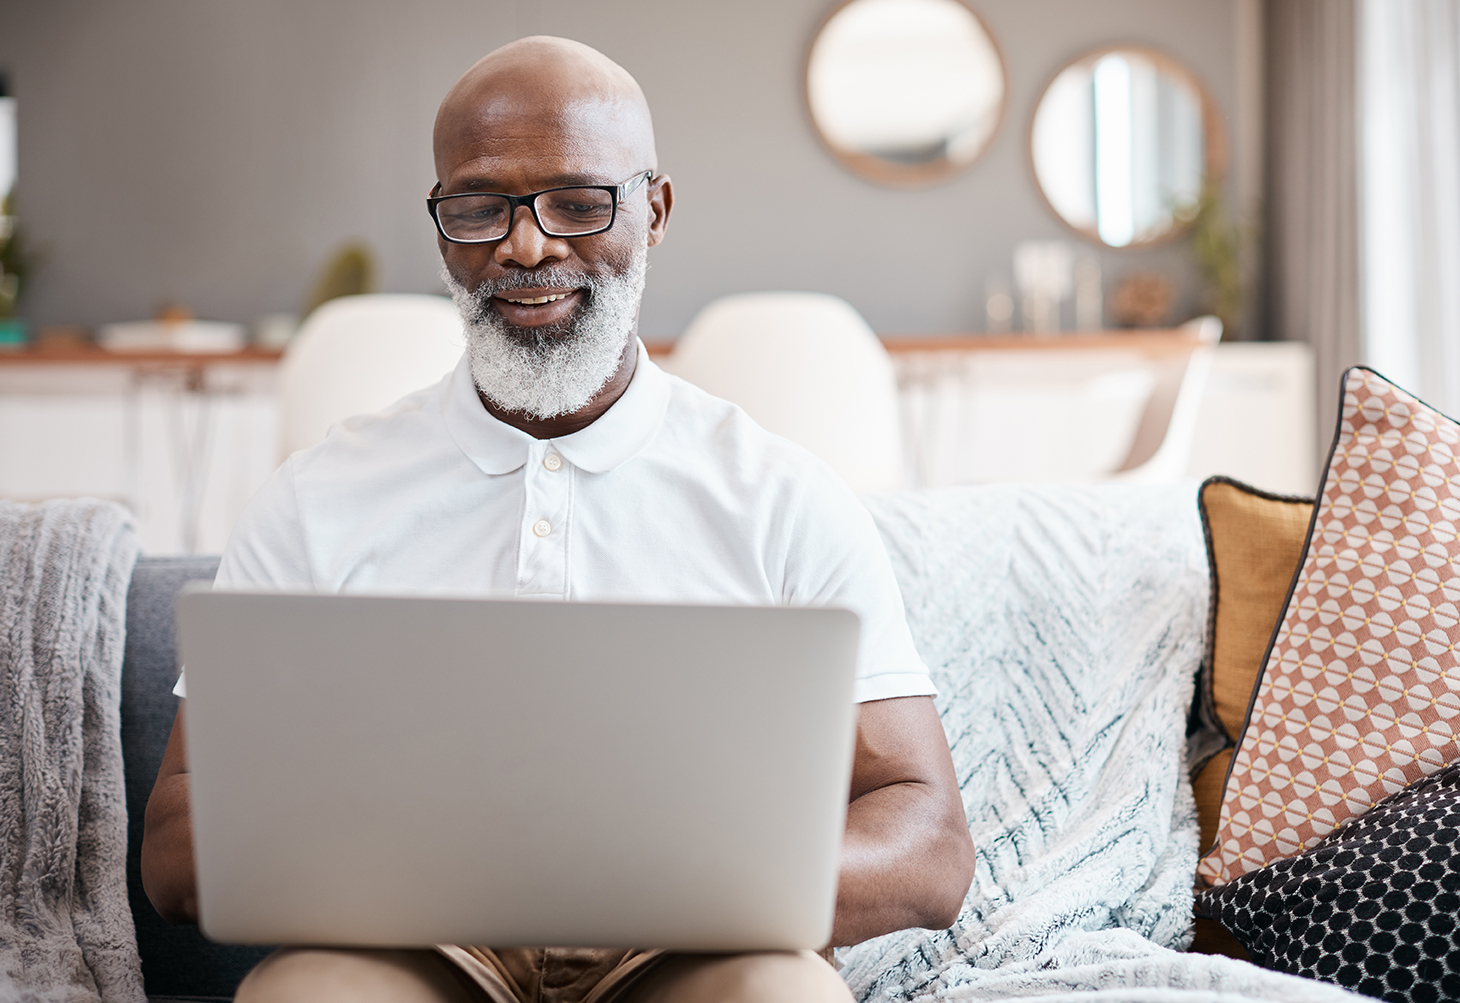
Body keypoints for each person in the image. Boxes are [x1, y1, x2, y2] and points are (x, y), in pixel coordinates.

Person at [141, 36, 976, 1003]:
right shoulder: (317, 496)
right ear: (440, 223)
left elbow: (928, 843)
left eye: (580, 203)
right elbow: (174, 843)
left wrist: (678, 885)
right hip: (410, 942)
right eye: (479, 207)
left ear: (654, 211)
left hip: (696, 945)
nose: (526, 246)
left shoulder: (783, 497)